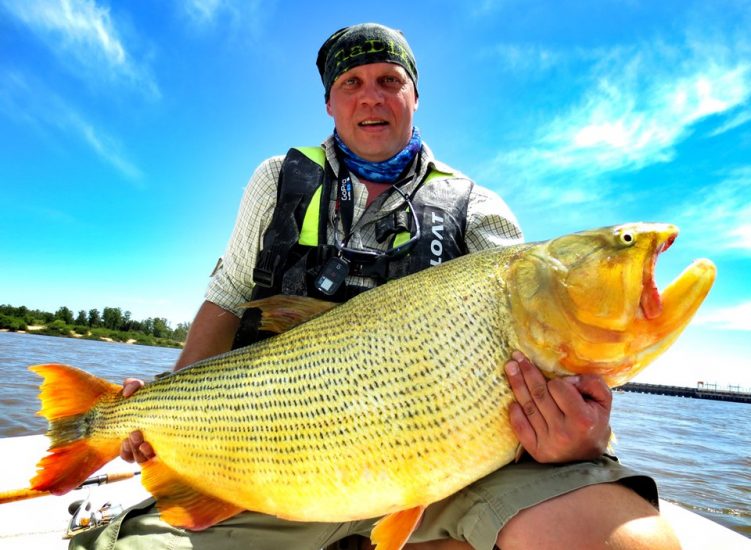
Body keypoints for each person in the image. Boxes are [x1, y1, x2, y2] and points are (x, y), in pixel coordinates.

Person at [72, 23, 680, 550]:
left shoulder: (479, 208)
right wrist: (161, 408)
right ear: (330, 104)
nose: (372, 98)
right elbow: (230, 295)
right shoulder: (276, 179)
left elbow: (541, 339)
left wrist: (588, 436)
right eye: (351, 83)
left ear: (415, 96)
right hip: (269, 453)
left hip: (453, 469)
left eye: (390, 80)